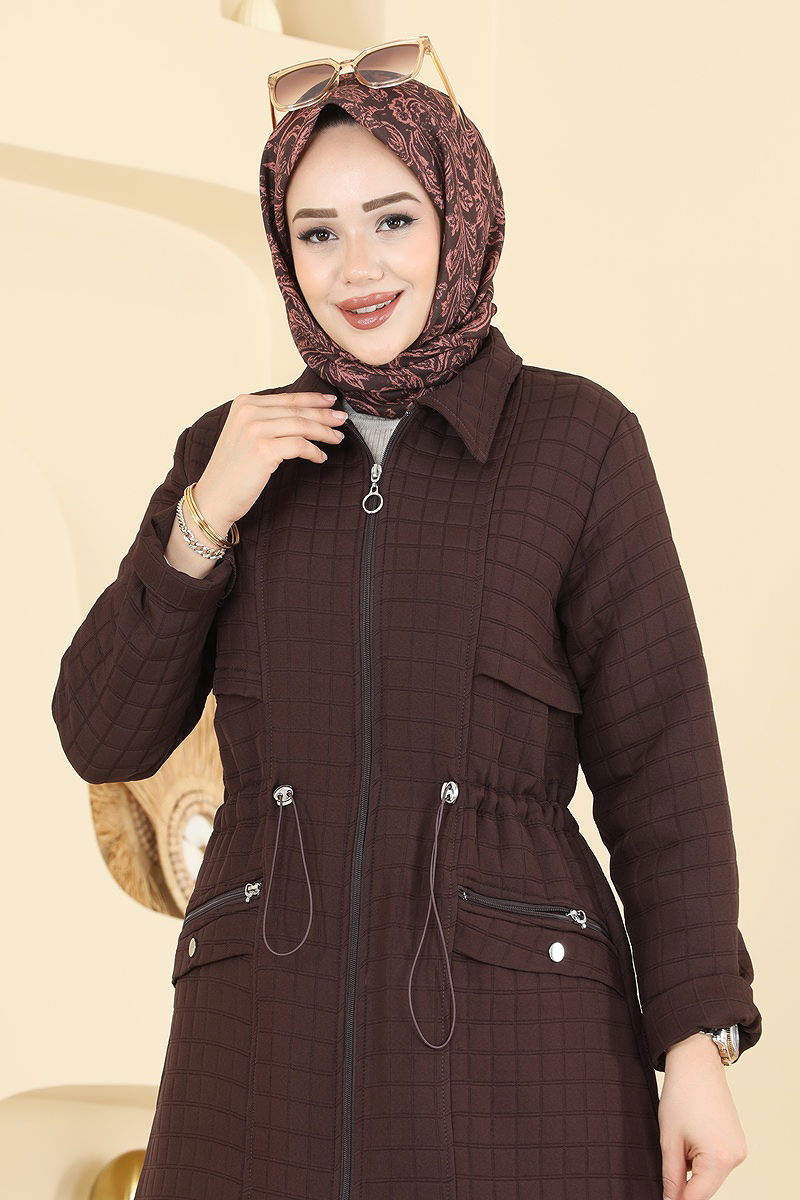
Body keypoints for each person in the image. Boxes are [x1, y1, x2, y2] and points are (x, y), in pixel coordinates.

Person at [52, 47, 762, 1200]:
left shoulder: (574, 442)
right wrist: (202, 520)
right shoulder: (229, 451)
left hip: (515, 1033)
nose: (357, 269)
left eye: (392, 219)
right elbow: (102, 733)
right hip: (258, 1041)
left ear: (457, 216)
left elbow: (660, 760)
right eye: (317, 232)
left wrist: (694, 1044)